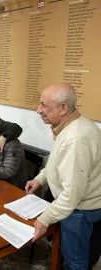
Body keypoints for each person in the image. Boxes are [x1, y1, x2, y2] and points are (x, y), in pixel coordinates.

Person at [25, 83, 101, 270]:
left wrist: (45, 219)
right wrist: (40, 179)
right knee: (83, 255)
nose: (38, 110)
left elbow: (71, 196)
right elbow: (57, 162)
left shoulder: (75, 139)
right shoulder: (72, 125)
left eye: (44, 105)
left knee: (75, 260)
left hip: (80, 210)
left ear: (63, 108)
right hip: (82, 206)